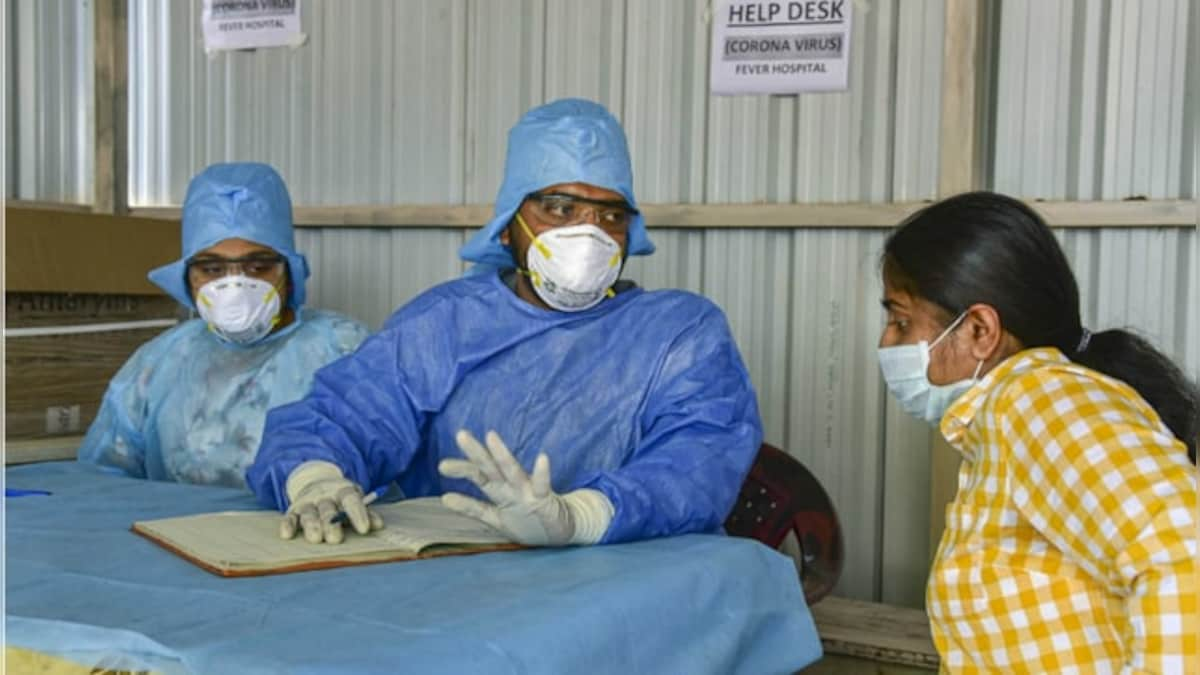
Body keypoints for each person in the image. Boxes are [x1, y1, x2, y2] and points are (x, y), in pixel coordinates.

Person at [246, 98, 763, 547]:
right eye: (559, 209)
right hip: (459, 581)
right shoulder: (446, 323)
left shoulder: (679, 333)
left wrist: (581, 517)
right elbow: (347, 415)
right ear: (506, 228)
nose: (590, 234)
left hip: (630, 580)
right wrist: (314, 478)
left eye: (610, 216)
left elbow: (700, 458)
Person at [876, 191, 1198, 673]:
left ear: (981, 330)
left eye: (901, 321)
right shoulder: (1010, 417)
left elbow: (1185, 552)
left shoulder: (1037, 401)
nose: (887, 340)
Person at [77, 162, 370, 488]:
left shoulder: (342, 349)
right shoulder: (159, 362)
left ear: (289, 272)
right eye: (212, 269)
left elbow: (385, 458)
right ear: (187, 279)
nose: (235, 288)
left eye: (257, 267)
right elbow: (103, 480)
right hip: (174, 534)